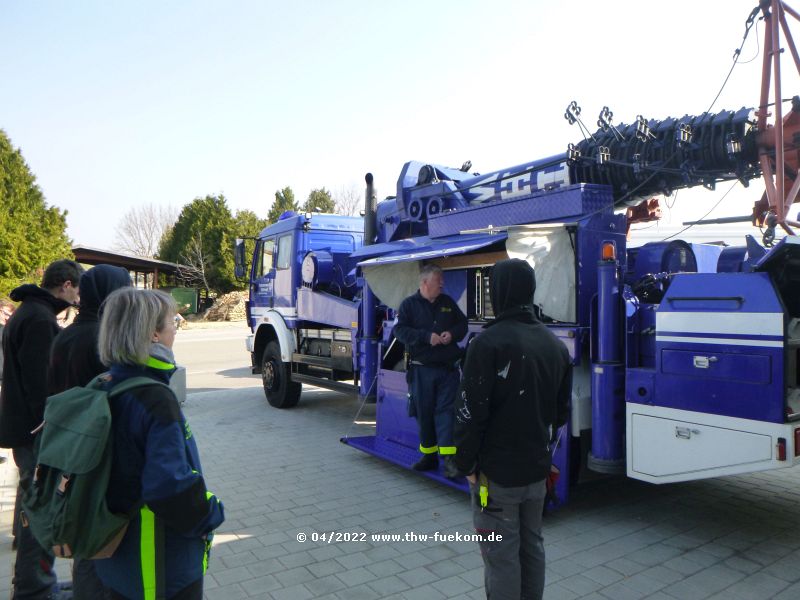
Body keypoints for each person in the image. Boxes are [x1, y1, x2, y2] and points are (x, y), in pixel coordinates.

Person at [94, 288, 224, 599]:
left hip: (116, 558)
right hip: (159, 562)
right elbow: (169, 487)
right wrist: (211, 513)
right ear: (153, 334)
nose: (175, 330)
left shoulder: (105, 384)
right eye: (173, 324)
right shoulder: (154, 398)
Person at [454, 258, 572, 600]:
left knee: (501, 557)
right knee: (531, 546)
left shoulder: (487, 344)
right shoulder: (555, 346)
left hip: (497, 476)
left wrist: (466, 467)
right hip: (535, 473)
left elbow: (469, 415)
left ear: (500, 292)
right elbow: (560, 414)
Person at [0, 258, 84, 600]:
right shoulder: (38, 319)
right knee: (41, 512)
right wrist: (50, 429)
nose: (79, 296)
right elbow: (41, 386)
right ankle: (35, 587)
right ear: (65, 284)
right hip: (34, 433)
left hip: (23, 430)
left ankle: (31, 581)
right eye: (77, 289)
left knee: (31, 506)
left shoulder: (30, 312)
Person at [48, 264, 131, 599]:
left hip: (67, 452)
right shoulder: (104, 341)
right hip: (99, 455)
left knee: (81, 533)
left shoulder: (65, 336)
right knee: (103, 538)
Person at [394, 264, 467, 478]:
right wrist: (426, 337)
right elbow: (400, 331)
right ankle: (429, 456)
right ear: (425, 283)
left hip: (447, 371)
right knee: (424, 413)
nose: (442, 284)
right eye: (438, 281)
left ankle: (449, 461)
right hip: (422, 371)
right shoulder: (409, 305)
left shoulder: (447, 303)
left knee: (447, 413)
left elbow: (462, 324)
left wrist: (451, 335)